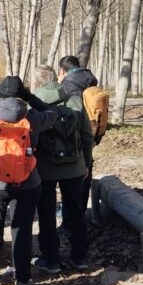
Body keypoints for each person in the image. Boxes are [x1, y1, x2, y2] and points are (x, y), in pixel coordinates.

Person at [0, 76, 58, 285]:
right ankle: (22, 280)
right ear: (20, 93)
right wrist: (29, 96)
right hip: (27, 182)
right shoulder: (32, 116)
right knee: (21, 229)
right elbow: (53, 113)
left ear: (0, 93)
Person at [32, 65, 93, 272]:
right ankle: (80, 256)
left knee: (46, 213)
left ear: (36, 82)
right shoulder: (75, 101)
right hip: (74, 166)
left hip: (43, 169)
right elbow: (86, 135)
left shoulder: (33, 105)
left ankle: (51, 259)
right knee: (76, 211)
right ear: (56, 79)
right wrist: (86, 162)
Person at [58, 55, 100, 219]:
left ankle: (72, 217)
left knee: (74, 177)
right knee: (86, 171)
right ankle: (79, 213)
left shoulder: (69, 85)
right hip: (93, 133)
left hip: (76, 136)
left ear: (63, 70)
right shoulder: (90, 81)